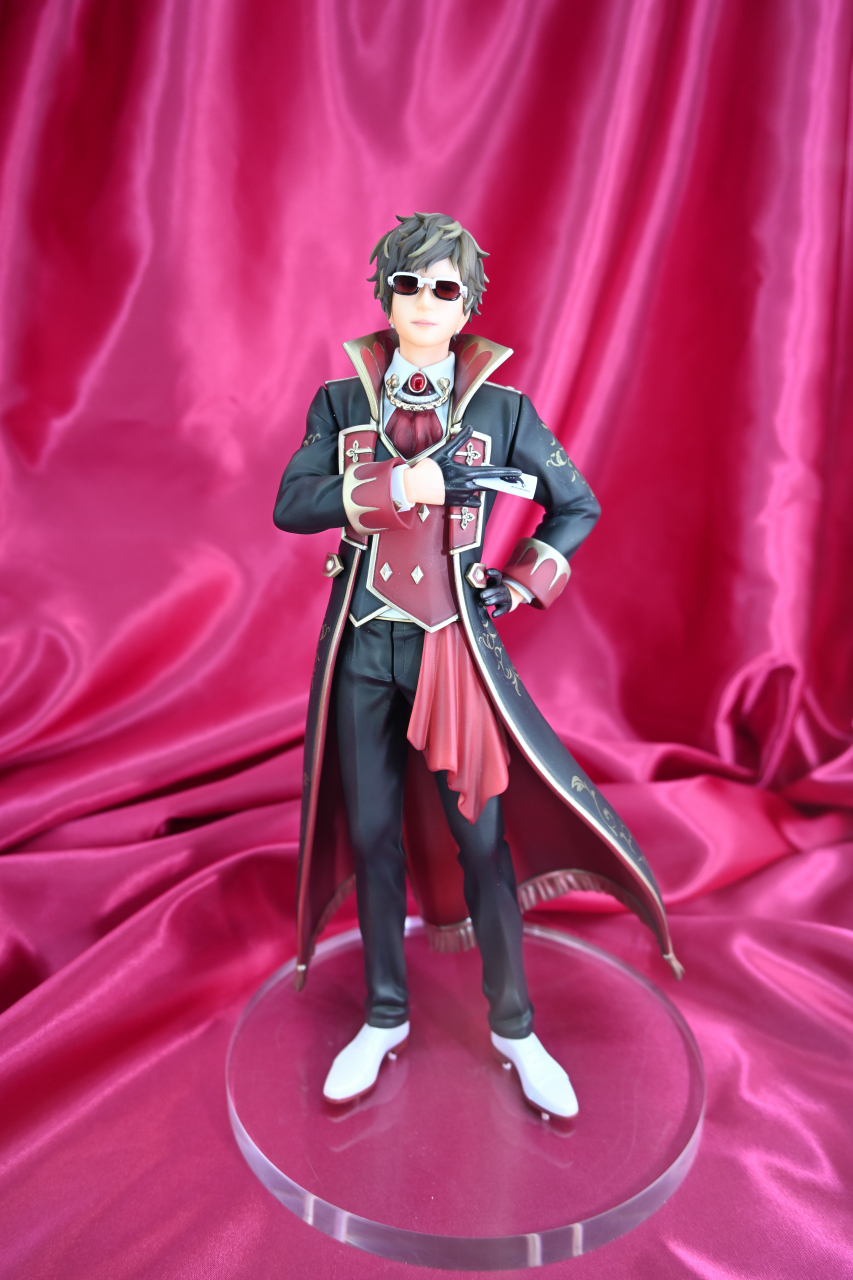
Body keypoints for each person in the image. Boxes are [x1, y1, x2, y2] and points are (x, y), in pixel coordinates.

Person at [274, 213, 680, 1117]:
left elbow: (575, 504)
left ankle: (514, 1026)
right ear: (384, 295)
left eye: (443, 287)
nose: (424, 301)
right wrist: (397, 485)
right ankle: (383, 1014)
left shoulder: (505, 411)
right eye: (408, 283)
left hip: (452, 648)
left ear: (467, 306)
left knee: (481, 838)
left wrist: (522, 582)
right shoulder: (339, 401)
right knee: (371, 835)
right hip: (361, 645)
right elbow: (292, 504)